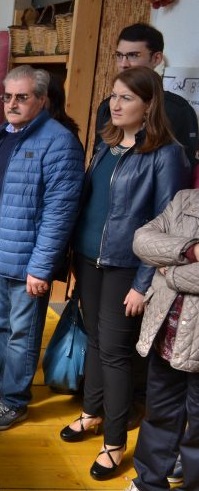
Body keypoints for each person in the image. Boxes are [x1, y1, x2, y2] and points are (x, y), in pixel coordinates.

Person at [59, 66, 189, 480]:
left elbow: (168, 226)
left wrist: (142, 284)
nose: (115, 104)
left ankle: (114, 444)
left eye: (126, 98)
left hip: (127, 267)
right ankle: (91, 413)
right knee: (96, 341)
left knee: (115, 353)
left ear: (149, 105)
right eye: (113, 95)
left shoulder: (166, 154)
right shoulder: (107, 144)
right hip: (89, 261)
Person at [0, 65, 84, 431]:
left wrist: (41, 267)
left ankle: (14, 401)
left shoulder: (59, 142)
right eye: (7, 96)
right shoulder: (3, 134)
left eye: (22, 97)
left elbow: (60, 213)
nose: (12, 104)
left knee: (22, 331)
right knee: (0, 322)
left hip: (28, 256)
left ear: (42, 100)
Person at [130, 188, 199, 491]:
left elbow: (160, 258)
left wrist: (169, 272)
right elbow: (142, 240)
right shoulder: (185, 199)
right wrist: (192, 251)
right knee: (159, 416)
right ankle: (148, 483)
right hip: (166, 334)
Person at [95, 23, 198, 168]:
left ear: (156, 58)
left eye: (133, 55)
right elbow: (97, 157)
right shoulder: (107, 107)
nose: (123, 64)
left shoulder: (178, 110)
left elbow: (184, 168)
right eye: (119, 55)